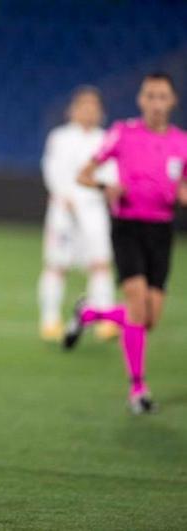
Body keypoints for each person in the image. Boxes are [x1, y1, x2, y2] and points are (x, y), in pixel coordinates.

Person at [64, 72, 187, 414]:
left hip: (161, 233)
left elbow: (184, 189)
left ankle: (89, 313)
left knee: (149, 318)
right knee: (136, 306)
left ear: (173, 101)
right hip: (128, 227)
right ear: (141, 100)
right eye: (150, 95)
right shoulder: (123, 133)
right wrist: (106, 188)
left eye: (163, 96)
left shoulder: (183, 142)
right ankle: (138, 390)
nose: (156, 103)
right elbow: (83, 174)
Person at [38, 86, 118, 342]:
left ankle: (103, 318)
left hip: (94, 210)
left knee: (100, 264)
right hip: (63, 210)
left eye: (93, 105)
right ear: (73, 109)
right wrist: (65, 196)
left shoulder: (107, 139)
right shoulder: (60, 137)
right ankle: (50, 320)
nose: (88, 110)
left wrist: (97, 194)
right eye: (83, 105)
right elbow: (52, 171)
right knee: (56, 265)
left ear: (100, 111)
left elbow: (111, 175)